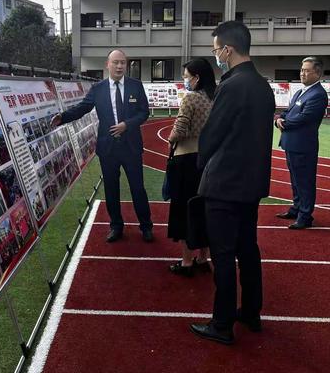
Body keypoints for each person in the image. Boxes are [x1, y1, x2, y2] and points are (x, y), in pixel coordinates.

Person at [190, 21, 275, 345]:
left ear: (227, 49)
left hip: (225, 184)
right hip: (251, 185)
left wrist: (201, 163)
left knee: (223, 255)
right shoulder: (262, 85)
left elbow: (213, 133)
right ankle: (251, 313)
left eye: (216, 51)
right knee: (248, 250)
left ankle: (222, 324)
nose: (216, 56)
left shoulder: (233, 84)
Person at [51, 49, 153, 242]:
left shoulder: (136, 86)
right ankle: (116, 226)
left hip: (131, 147)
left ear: (126, 64)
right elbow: (83, 108)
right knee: (111, 189)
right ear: (108, 64)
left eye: (123, 62)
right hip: (108, 149)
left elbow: (143, 112)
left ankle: (146, 226)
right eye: (115, 62)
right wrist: (63, 117)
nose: (120, 66)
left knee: (138, 188)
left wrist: (127, 125)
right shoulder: (98, 88)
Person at [167, 58, 215, 277]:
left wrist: (170, 138)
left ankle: (186, 262)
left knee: (184, 210)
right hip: (209, 160)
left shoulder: (191, 98)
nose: (185, 80)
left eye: (186, 76)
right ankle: (203, 258)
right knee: (204, 210)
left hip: (186, 160)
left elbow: (180, 128)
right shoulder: (215, 98)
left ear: (196, 78)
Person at [275, 57, 328, 229]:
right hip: (291, 143)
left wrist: (284, 123)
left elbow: (305, 117)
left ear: (317, 73)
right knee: (295, 179)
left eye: (307, 70)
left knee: (305, 181)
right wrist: (278, 119)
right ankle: (297, 208)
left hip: (304, 145)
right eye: (301, 70)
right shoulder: (300, 92)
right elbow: (288, 112)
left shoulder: (318, 94)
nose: (302, 73)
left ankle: (305, 216)